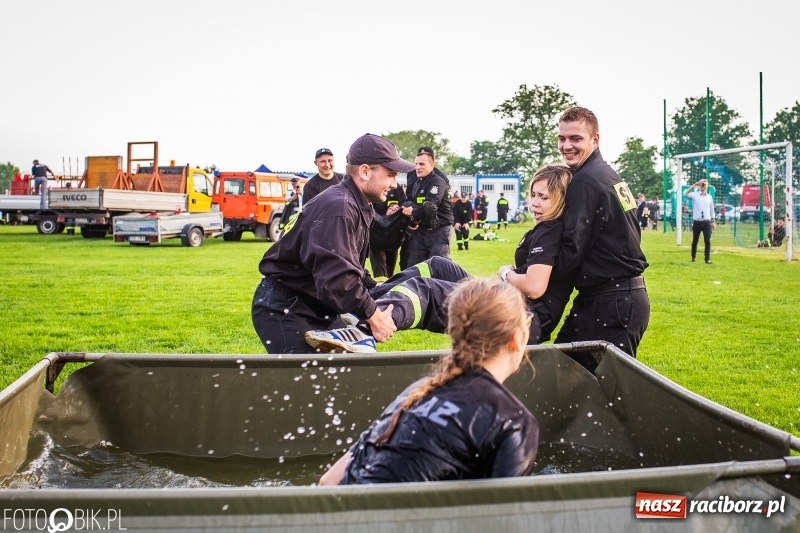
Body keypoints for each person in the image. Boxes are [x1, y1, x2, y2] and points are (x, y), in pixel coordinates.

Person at [307, 164, 574, 352]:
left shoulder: (549, 232)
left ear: (560, 200)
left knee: (426, 290)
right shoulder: (544, 229)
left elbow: (535, 287)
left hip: (523, 321)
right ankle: (366, 302)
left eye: (544, 198)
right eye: (533, 195)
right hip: (514, 307)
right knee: (437, 265)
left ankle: (365, 332)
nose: (535, 203)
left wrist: (506, 274)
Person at [318, 277, 539, 485]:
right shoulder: (512, 420)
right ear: (517, 338)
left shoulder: (418, 391)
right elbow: (502, 520)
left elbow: (328, 482)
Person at [251, 133, 415, 354]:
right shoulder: (340, 208)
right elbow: (338, 278)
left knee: (347, 372)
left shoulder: (357, 203)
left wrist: (373, 287)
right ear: (365, 171)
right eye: (391, 175)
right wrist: (374, 316)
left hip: (317, 303)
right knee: (310, 382)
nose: (394, 184)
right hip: (286, 306)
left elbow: (348, 263)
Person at [552, 106, 650, 371]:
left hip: (613, 304)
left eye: (576, 139)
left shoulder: (586, 181)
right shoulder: (607, 174)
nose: (567, 146)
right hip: (610, 299)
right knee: (560, 375)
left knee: (609, 395)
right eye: (562, 139)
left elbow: (570, 250)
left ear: (595, 139)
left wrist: (527, 276)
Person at [400, 147, 454, 266]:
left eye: (422, 164)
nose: (418, 167)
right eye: (416, 164)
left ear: (432, 164)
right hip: (421, 228)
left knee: (438, 266)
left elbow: (430, 205)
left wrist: (413, 215)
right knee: (415, 266)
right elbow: (410, 201)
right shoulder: (416, 182)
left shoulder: (438, 181)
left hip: (439, 229)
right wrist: (405, 207)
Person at [369, 183, 407, 279]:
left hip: (393, 236)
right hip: (376, 235)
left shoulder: (397, 188)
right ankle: (381, 289)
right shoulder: (373, 185)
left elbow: (404, 207)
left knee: (390, 271)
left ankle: (388, 289)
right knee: (380, 271)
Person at [684, 178, 715, 264]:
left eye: (705, 185)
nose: (703, 187)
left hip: (706, 221)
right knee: (695, 241)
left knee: (707, 241)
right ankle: (693, 257)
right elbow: (685, 194)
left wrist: (713, 221)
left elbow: (712, 210)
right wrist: (692, 187)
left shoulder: (709, 197)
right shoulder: (694, 195)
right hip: (697, 221)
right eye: (702, 185)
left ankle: (707, 259)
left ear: (707, 186)